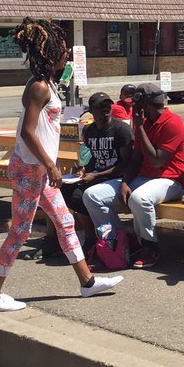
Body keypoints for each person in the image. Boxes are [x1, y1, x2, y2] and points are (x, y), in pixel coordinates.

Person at [0, 18, 122, 312]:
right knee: (20, 231)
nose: (67, 52)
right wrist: (51, 164)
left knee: (65, 221)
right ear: (48, 52)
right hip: (31, 169)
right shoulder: (40, 88)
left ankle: (87, 283)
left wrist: (49, 165)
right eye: (62, 48)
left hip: (39, 170)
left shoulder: (45, 84)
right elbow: (27, 132)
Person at [83, 82, 184, 269]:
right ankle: (119, 241)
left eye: (137, 105)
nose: (134, 109)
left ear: (146, 105)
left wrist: (139, 128)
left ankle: (149, 246)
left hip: (171, 181)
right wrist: (125, 182)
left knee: (139, 198)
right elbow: (136, 158)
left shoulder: (173, 122)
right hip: (144, 178)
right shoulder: (145, 123)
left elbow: (157, 161)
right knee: (92, 195)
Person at [60, 91, 133, 259]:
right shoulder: (89, 131)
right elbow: (93, 158)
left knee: (85, 195)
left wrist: (96, 175)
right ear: (91, 110)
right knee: (67, 190)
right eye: (100, 107)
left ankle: (110, 238)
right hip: (98, 176)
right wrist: (83, 170)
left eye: (108, 105)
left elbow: (126, 164)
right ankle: (91, 237)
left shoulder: (121, 130)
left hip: (117, 178)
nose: (105, 109)